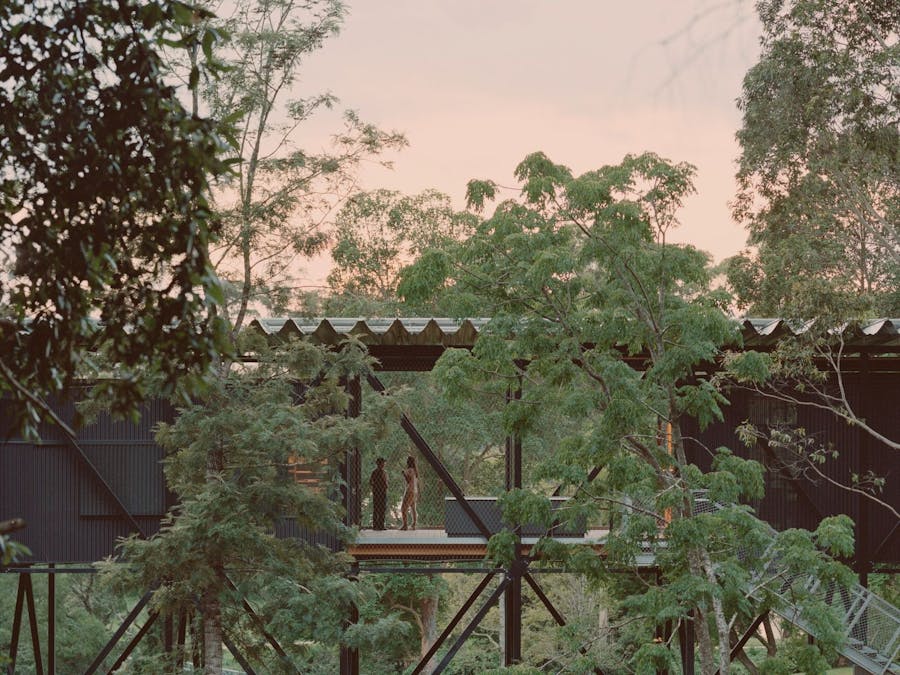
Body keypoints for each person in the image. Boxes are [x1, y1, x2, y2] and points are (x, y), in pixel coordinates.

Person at [400, 455, 419, 531]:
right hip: (415, 490)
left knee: (403, 508)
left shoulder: (409, 470)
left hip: (409, 490)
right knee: (413, 508)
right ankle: (414, 524)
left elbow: (408, 480)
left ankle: (405, 525)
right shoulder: (415, 470)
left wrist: (404, 474)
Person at [370, 457, 388, 530]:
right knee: (379, 508)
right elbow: (371, 481)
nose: (384, 464)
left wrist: (375, 486)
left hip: (379, 492)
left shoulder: (377, 472)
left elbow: (371, 482)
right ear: (379, 464)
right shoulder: (380, 472)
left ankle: (379, 525)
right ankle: (378, 525)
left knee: (380, 508)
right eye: (383, 463)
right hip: (380, 492)